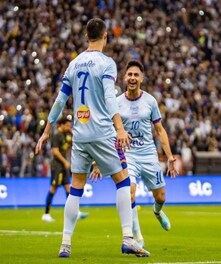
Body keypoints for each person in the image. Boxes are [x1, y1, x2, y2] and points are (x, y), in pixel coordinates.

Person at [35, 18, 149, 257]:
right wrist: (119, 127)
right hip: (103, 133)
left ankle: (65, 244)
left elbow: (59, 101)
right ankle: (128, 237)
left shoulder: (73, 64)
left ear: (87, 36)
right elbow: (109, 97)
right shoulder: (107, 63)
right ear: (105, 36)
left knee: (76, 186)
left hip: (80, 135)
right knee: (123, 180)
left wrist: (46, 131)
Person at [93, 60, 177, 247]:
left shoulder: (150, 101)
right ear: (124, 78)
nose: (132, 78)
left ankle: (157, 212)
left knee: (161, 197)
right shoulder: (115, 103)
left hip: (148, 155)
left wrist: (170, 156)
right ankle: (137, 237)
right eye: (129, 74)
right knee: (129, 193)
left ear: (142, 78)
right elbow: (106, 132)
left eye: (136, 75)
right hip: (126, 155)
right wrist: (98, 161)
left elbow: (160, 130)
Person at [42, 117, 89, 223]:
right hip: (57, 166)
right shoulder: (56, 135)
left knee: (69, 189)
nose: (69, 127)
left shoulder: (65, 135)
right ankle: (46, 213)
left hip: (63, 166)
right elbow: (55, 151)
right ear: (61, 125)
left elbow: (74, 140)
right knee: (53, 188)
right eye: (67, 125)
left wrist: (71, 131)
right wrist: (65, 162)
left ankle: (75, 212)